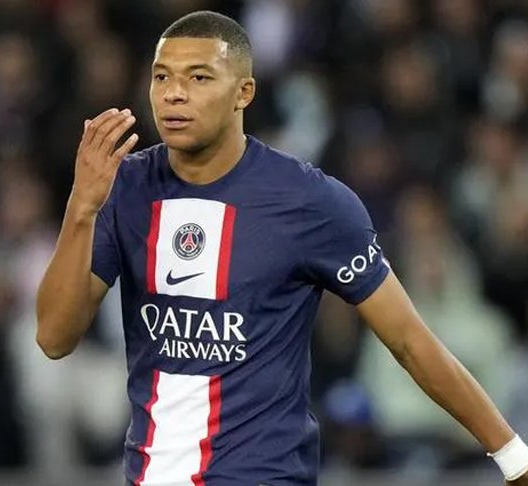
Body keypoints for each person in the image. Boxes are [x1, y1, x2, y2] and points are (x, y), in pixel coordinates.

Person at [35, 10, 528, 486]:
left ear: (243, 92)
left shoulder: (309, 201)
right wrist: (81, 208)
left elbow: (408, 340)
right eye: (161, 77)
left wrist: (512, 454)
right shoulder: (125, 189)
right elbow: (54, 338)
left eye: (199, 77)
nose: (174, 93)